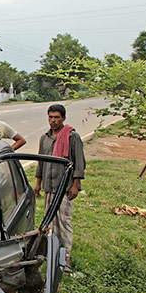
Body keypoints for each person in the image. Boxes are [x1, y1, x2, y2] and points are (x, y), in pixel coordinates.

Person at [34, 104, 86, 271]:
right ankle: (51, 253)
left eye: (56, 117)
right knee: (49, 221)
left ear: (63, 118)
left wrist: (75, 185)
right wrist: (38, 183)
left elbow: (79, 162)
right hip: (49, 186)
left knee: (63, 222)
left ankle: (66, 258)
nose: (53, 121)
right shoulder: (45, 138)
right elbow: (41, 162)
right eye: (50, 117)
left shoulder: (72, 137)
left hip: (64, 187)